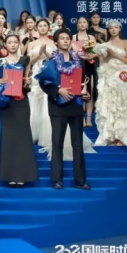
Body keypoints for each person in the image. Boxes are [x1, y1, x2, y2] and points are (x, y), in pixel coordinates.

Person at [27, 20, 96, 160]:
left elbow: (59, 62)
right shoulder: (32, 44)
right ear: (36, 28)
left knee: (49, 108)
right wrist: (39, 54)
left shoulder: (61, 48)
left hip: (59, 80)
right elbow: (29, 62)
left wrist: (47, 53)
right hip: (41, 75)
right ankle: (36, 135)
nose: (42, 28)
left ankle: (49, 137)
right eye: (40, 26)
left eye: (45, 25)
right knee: (36, 105)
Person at [38, 29, 91, 190]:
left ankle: (80, 180)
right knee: (57, 143)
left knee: (78, 144)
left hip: (75, 106)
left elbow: (83, 82)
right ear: (56, 42)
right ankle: (57, 179)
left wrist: (85, 93)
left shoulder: (78, 61)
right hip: (58, 107)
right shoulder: (51, 61)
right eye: (62, 38)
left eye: (68, 38)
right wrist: (57, 90)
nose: (66, 40)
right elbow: (43, 83)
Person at [0, 33, 38, 187]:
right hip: (6, 102)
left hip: (21, 101)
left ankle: (23, 175)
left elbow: (27, 82)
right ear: (5, 45)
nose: (12, 44)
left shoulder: (25, 60)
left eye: (15, 42)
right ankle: (11, 175)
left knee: (23, 137)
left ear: (19, 44)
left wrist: (28, 82)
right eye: (9, 42)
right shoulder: (0, 62)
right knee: (9, 137)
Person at [94, 20, 127, 151]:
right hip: (110, 77)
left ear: (120, 29)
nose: (113, 30)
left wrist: (114, 54)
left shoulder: (126, 43)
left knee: (123, 105)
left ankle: (123, 136)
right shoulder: (105, 45)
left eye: (116, 27)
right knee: (111, 106)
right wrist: (100, 56)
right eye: (111, 28)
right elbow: (103, 63)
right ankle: (113, 136)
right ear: (108, 30)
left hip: (123, 76)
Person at [73, 17, 98, 128]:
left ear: (87, 24)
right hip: (78, 66)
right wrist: (78, 54)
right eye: (80, 22)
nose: (82, 24)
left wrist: (91, 55)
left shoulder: (91, 37)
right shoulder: (73, 37)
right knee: (80, 92)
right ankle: (81, 118)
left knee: (90, 91)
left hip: (89, 65)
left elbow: (96, 51)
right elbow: (71, 53)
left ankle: (88, 118)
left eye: (84, 22)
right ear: (77, 24)